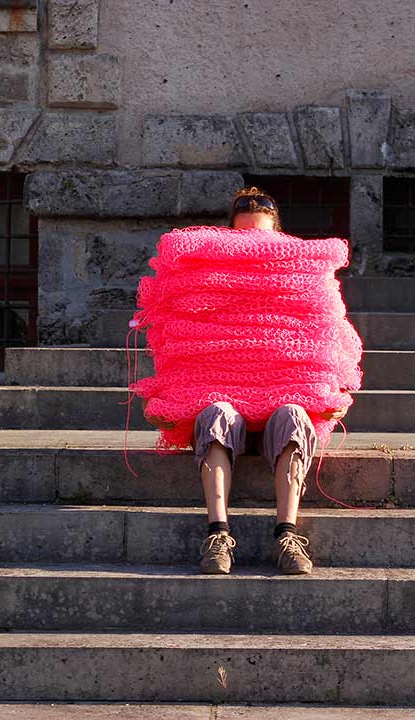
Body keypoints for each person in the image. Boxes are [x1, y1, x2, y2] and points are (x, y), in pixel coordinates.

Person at [145, 186, 348, 575]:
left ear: (278, 233)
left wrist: (331, 390)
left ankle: (287, 536)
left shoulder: (300, 280)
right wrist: (169, 398)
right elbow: (182, 341)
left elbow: (324, 337)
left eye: (262, 237)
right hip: (225, 406)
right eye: (244, 238)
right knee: (216, 414)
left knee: (293, 414)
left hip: (281, 407)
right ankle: (218, 534)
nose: (254, 246)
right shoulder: (209, 281)